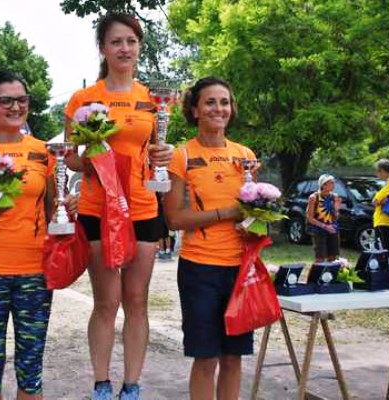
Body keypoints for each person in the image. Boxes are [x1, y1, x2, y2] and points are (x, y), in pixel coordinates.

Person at [64, 12, 173, 400]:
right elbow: (70, 158)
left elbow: (154, 150)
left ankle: (132, 385)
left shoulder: (152, 99)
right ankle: (101, 383)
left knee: (137, 300)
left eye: (131, 41)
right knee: (106, 301)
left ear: (139, 46)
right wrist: (90, 157)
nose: (124, 48)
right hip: (98, 208)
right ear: (103, 48)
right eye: (116, 42)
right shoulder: (84, 99)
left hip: (142, 209)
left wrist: (163, 154)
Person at [0, 70, 72, 400]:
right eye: (5, 100)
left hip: (35, 272)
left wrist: (68, 212)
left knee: (31, 371)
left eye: (22, 100)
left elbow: (53, 213)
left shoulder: (45, 152)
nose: (15, 106)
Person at [163, 77, 257, 400]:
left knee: (233, 358)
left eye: (225, 102)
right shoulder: (182, 155)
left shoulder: (245, 156)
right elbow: (174, 218)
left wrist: (254, 224)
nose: (219, 109)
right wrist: (225, 214)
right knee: (207, 358)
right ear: (194, 109)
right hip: (200, 269)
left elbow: (254, 214)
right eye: (210, 102)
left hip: (239, 269)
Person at [306, 174, 342, 262]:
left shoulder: (334, 197)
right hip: (319, 231)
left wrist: (337, 209)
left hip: (333, 229)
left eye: (333, 183)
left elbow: (335, 217)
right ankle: (318, 275)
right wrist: (325, 227)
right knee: (320, 258)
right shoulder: (314, 198)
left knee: (332, 257)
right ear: (323, 185)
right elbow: (309, 217)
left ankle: (331, 274)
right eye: (331, 183)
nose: (333, 185)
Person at [156, 193, 172, 261]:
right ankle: (168, 251)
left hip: (159, 215)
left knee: (161, 235)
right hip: (165, 215)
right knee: (166, 234)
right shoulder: (165, 193)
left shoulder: (156, 193)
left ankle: (162, 251)